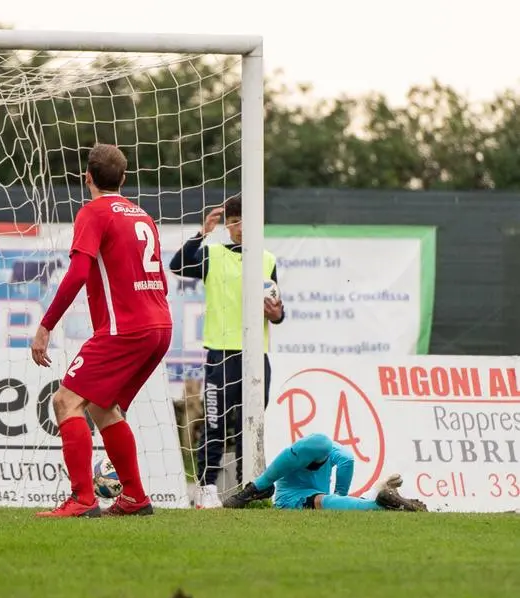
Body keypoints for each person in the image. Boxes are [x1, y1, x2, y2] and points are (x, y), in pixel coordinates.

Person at [31, 143, 173, 518]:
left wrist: (45, 326)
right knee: (101, 406)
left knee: (65, 402)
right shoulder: (142, 215)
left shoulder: (93, 212)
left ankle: (82, 499)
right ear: (124, 179)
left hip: (125, 329)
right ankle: (135, 497)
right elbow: (161, 280)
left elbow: (78, 273)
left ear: (87, 177)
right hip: (160, 326)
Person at [168, 195, 284, 509]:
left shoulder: (267, 259)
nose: (240, 228)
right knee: (217, 421)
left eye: (245, 221)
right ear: (228, 225)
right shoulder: (213, 254)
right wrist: (202, 232)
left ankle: (250, 487)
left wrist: (275, 313)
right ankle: (206, 488)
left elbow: (277, 310)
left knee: (252, 421)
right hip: (221, 354)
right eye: (234, 222)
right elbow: (177, 265)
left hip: (256, 356)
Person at [221, 433, 428, 512]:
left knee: (327, 501)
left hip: (315, 495)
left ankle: (382, 501)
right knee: (322, 501)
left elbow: (347, 461)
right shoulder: (291, 456)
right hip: (290, 497)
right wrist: (245, 495)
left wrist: (339, 497)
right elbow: (265, 481)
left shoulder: (330, 449)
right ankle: (383, 502)